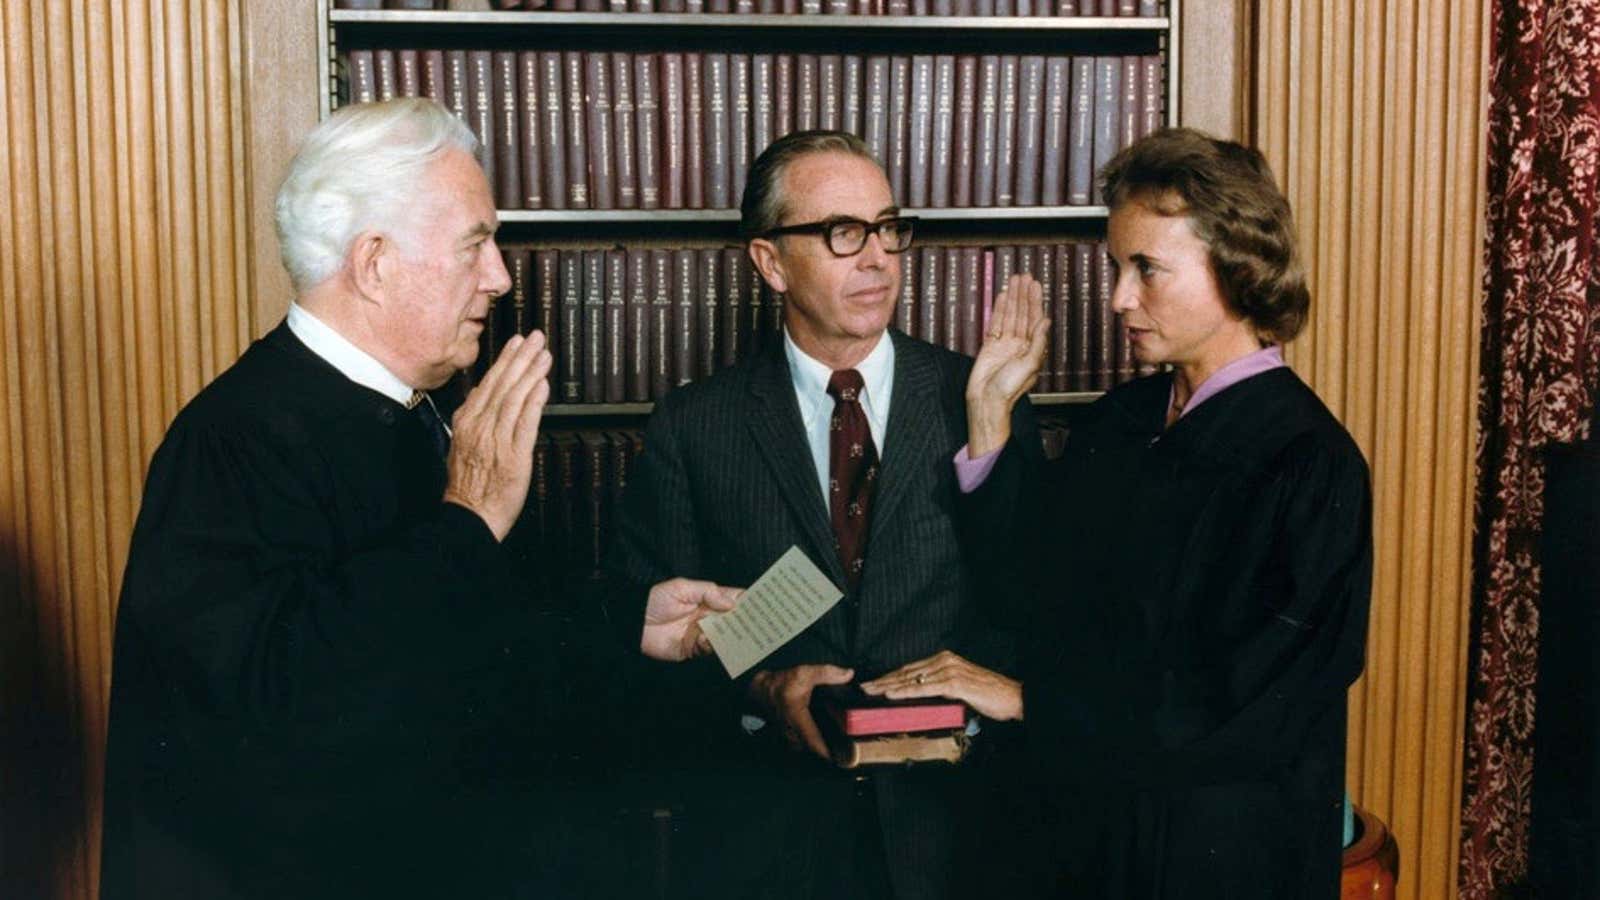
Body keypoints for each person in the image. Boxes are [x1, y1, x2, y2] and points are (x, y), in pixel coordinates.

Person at [99, 98, 739, 900]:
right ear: (373, 263)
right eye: (476, 244)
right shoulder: (233, 439)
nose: (501, 277)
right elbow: (284, 715)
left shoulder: (409, 412)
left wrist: (627, 624)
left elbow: (463, 654)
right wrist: (466, 520)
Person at [863, 127, 1374, 898]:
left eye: (1147, 270)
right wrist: (991, 411)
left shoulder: (1307, 461)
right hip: (1090, 835)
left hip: (1215, 855)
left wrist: (1036, 701)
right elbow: (1027, 593)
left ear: (1236, 269)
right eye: (1116, 267)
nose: (1117, 299)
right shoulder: (1123, 421)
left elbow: (1246, 701)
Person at [607, 130, 1038, 900]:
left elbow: (1031, 605)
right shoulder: (693, 426)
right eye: (842, 233)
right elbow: (645, 655)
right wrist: (759, 694)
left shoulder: (981, 397)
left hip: (954, 837)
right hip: (772, 844)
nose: (877, 257)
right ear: (770, 262)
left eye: (887, 227)